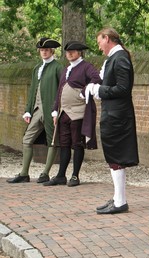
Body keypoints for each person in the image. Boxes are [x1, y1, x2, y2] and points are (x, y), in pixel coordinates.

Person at [91, 28, 139, 214]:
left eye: (99, 42)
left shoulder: (119, 58)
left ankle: (120, 202)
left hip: (118, 116)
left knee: (116, 156)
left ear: (108, 38)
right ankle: (118, 198)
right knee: (113, 156)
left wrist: (99, 90)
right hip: (114, 114)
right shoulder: (114, 58)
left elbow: (123, 88)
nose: (99, 46)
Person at [43, 41, 101, 187]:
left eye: (73, 51)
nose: (69, 54)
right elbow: (60, 91)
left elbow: (97, 79)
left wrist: (84, 91)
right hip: (64, 113)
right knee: (64, 145)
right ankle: (61, 175)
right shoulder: (66, 69)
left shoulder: (86, 67)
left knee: (77, 144)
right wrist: (55, 110)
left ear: (79, 53)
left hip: (78, 113)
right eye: (68, 52)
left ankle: (75, 176)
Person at [7, 38, 63, 184]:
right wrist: (28, 110)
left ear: (52, 51)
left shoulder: (58, 67)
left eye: (46, 50)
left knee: (52, 140)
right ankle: (24, 173)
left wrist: (56, 109)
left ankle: (45, 173)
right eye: (42, 50)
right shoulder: (37, 68)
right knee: (27, 139)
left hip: (51, 110)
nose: (44, 52)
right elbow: (33, 90)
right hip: (37, 110)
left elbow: (61, 90)